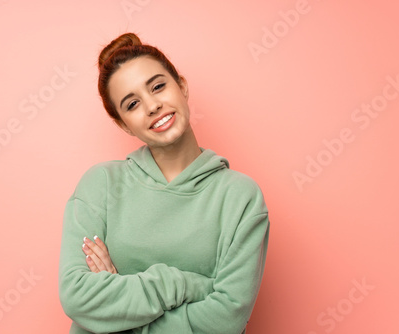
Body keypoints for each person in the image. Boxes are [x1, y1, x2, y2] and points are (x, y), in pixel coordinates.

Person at [59, 32, 270, 334]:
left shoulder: (240, 198)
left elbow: (226, 321)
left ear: (182, 86)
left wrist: (117, 307)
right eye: (132, 104)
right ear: (123, 124)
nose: (152, 106)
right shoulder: (100, 185)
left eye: (158, 87)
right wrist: (185, 284)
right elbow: (78, 297)